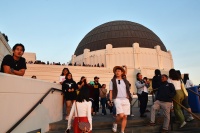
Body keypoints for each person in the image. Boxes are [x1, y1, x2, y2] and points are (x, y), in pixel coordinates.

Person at [110, 66, 132, 133]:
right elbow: (111, 91)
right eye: (116, 71)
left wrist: (128, 96)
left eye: (119, 71)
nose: (117, 72)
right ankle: (115, 123)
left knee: (125, 116)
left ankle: (122, 131)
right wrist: (110, 100)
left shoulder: (125, 80)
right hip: (117, 99)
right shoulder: (113, 81)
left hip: (125, 99)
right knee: (121, 115)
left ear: (122, 72)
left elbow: (127, 89)